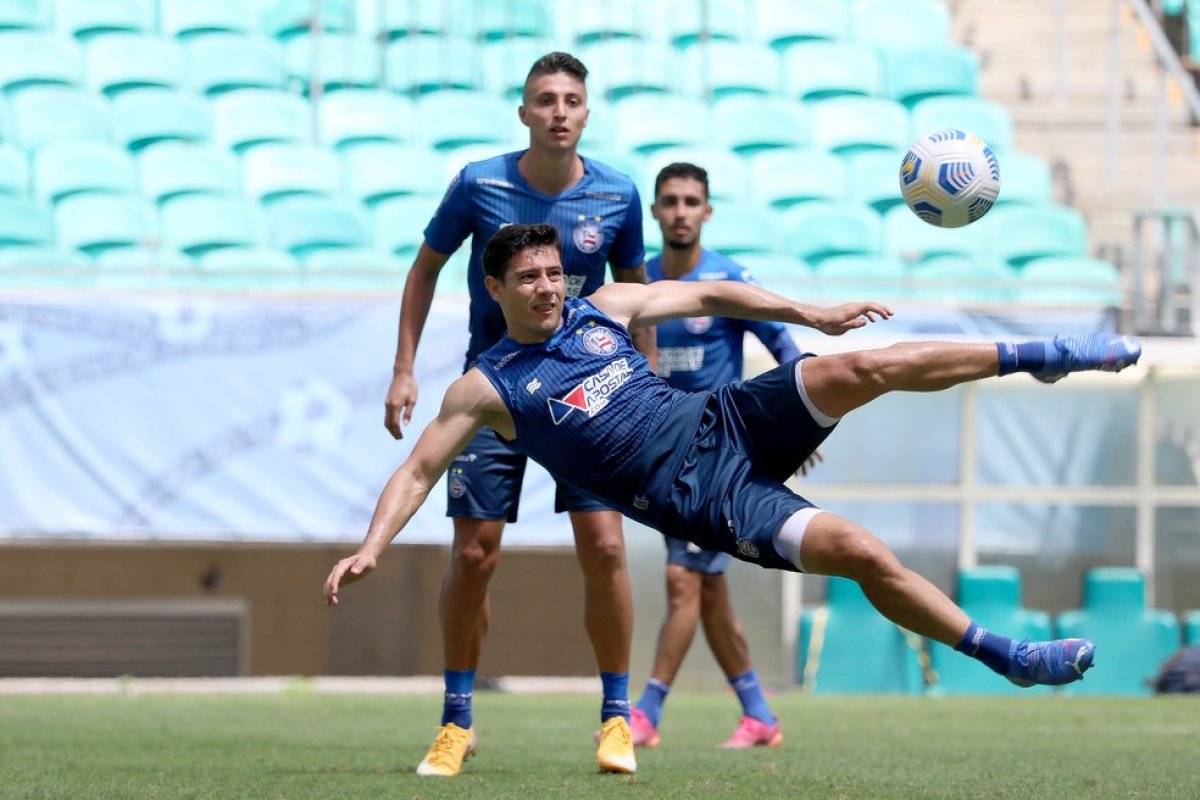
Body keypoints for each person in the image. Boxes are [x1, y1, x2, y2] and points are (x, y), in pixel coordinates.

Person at [329, 223, 1142, 755]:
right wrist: (372, 546)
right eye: (528, 278)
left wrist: (811, 314)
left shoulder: (602, 308)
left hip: (725, 418)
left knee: (864, 364)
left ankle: (1041, 354)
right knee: (861, 552)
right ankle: (1008, 658)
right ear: (495, 289)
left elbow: (713, 293)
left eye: (553, 273)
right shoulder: (488, 385)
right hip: (706, 500)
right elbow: (418, 469)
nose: (547, 287)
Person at [381, 52, 651, 776]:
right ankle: (456, 721)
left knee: (606, 548)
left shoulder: (618, 194)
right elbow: (425, 268)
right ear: (524, 112)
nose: (559, 111)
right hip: (496, 393)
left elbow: (639, 294)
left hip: (587, 393)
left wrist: (645, 385)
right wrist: (405, 368)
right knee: (473, 556)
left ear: (586, 112)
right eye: (545, 99)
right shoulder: (480, 183)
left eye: (571, 99)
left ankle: (616, 718)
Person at [629, 162, 802, 750]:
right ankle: (759, 715)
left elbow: (785, 347)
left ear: (707, 211)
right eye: (670, 201)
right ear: (655, 211)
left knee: (683, 579)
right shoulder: (639, 280)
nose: (680, 212)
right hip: (660, 453)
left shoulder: (729, 279)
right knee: (707, 588)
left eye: (690, 201)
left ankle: (647, 714)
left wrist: (793, 429)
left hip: (715, 455)